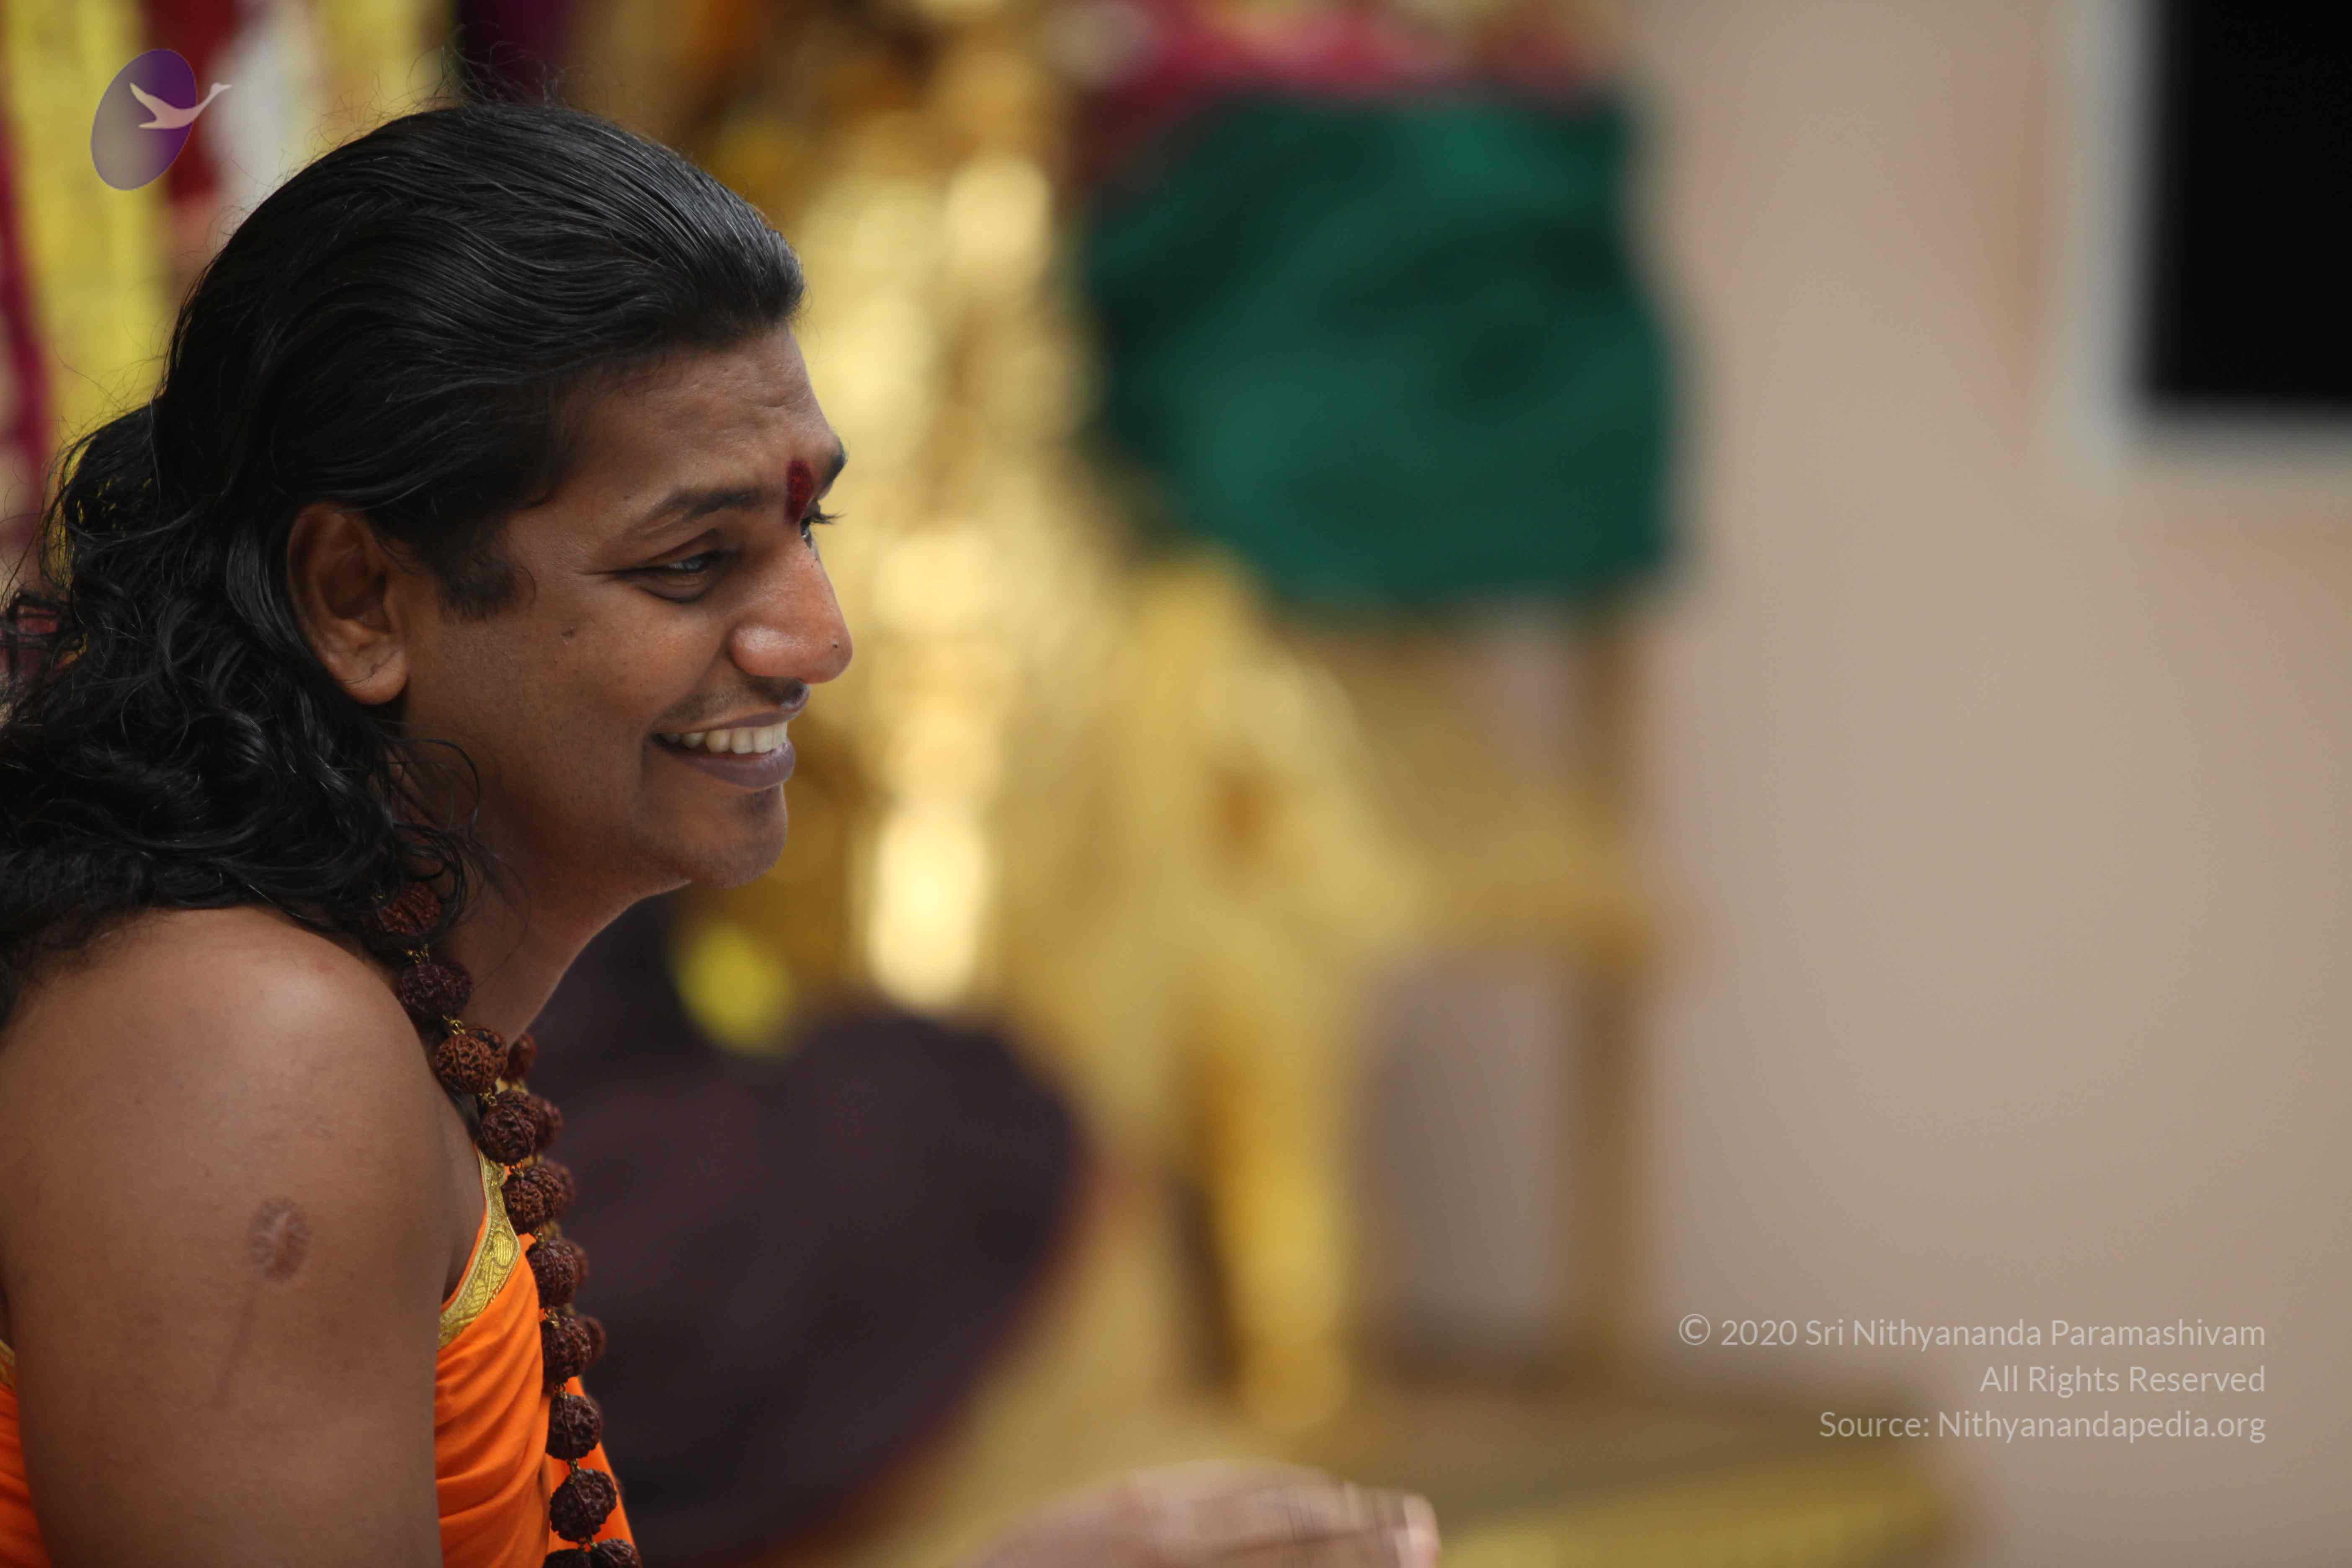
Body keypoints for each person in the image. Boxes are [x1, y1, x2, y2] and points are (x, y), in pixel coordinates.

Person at [0, 102, 1438, 1568]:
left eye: (810, 531)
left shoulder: (343, 1005)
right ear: (360, 600)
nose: (819, 639)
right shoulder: (246, 1045)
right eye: (692, 562)